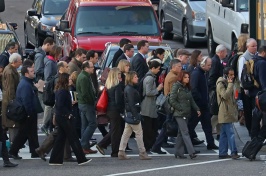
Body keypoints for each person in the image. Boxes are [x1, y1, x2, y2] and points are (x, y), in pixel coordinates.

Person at [49, 73, 92, 166]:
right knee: (74, 138)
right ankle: (81, 159)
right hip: (64, 117)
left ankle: (54, 160)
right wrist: (68, 113)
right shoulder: (63, 91)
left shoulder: (61, 90)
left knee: (60, 138)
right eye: (69, 79)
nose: (71, 80)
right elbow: (60, 105)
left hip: (61, 116)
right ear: (64, 80)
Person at [9, 61, 40, 159]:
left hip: (28, 112)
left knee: (31, 133)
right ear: (26, 73)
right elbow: (26, 101)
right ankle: (13, 151)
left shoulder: (27, 82)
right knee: (24, 133)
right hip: (27, 113)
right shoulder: (25, 85)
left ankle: (35, 151)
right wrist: (30, 113)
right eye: (31, 71)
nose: (33, 72)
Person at [118, 71, 151, 160]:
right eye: (135, 77)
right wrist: (136, 115)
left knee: (126, 133)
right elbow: (132, 104)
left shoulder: (128, 88)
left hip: (129, 114)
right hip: (133, 113)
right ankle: (142, 152)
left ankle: (121, 151)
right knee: (139, 134)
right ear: (131, 78)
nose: (137, 78)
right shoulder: (130, 90)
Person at [188, 56, 219, 150]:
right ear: (203, 64)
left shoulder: (203, 73)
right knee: (191, 126)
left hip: (203, 105)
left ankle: (210, 143)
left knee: (207, 126)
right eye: (209, 65)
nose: (210, 67)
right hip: (198, 106)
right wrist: (200, 101)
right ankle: (187, 145)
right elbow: (194, 89)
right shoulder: (197, 74)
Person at [170, 71, 200, 159]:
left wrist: (197, 109)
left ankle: (178, 152)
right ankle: (191, 152)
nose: (187, 79)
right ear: (181, 77)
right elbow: (172, 100)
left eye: (188, 77)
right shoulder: (176, 86)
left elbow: (191, 100)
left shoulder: (186, 87)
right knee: (185, 132)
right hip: (179, 113)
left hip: (186, 113)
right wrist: (180, 108)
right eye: (185, 77)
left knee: (181, 133)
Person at [96, 68, 124, 157]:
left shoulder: (108, 85)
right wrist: (122, 111)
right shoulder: (117, 86)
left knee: (114, 130)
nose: (120, 75)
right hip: (115, 110)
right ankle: (111, 149)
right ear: (115, 75)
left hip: (109, 109)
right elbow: (118, 101)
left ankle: (104, 145)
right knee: (115, 131)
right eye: (119, 74)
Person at [216, 67, 240, 159]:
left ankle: (222, 152)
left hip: (228, 111)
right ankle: (234, 152)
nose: (233, 76)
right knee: (230, 133)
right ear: (226, 75)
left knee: (224, 134)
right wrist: (230, 85)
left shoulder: (227, 83)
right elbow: (225, 95)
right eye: (230, 75)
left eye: (233, 74)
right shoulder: (221, 84)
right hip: (225, 112)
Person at [141, 60, 163, 151]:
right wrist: (158, 89)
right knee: (148, 128)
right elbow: (148, 92)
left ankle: (149, 145)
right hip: (148, 107)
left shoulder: (150, 77)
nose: (159, 70)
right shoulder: (150, 78)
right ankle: (147, 146)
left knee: (151, 127)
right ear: (153, 68)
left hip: (149, 106)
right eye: (158, 69)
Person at [76, 61, 98, 154]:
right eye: (91, 67)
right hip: (86, 104)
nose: (93, 68)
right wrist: (92, 100)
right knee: (93, 123)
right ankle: (83, 144)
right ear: (86, 68)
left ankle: (85, 146)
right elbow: (85, 93)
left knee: (84, 126)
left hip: (83, 103)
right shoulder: (84, 77)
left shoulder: (84, 76)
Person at [238, 38, 257, 136]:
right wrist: (245, 88)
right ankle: (250, 131)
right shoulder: (243, 58)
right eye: (252, 46)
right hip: (247, 89)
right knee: (248, 111)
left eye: (255, 46)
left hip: (255, 88)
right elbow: (241, 75)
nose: (255, 48)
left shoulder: (257, 55)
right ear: (247, 47)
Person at [41, 45, 63, 134]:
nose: (61, 55)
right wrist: (56, 78)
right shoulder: (50, 63)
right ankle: (45, 125)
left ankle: (48, 126)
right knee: (49, 107)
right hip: (51, 87)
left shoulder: (53, 62)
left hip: (53, 86)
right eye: (60, 53)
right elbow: (48, 77)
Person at [1, 53, 22, 145]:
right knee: (11, 124)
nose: (21, 62)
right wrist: (13, 103)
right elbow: (10, 89)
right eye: (20, 61)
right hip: (10, 102)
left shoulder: (11, 69)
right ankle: (12, 146)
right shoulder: (10, 72)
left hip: (9, 100)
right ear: (14, 62)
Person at [208, 44, 228, 140]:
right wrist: (216, 89)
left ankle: (219, 133)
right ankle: (209, 131)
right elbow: (212, 77)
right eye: (225, 52)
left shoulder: (216, 60)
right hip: (216, 91)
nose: (226, 54)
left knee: (219, 112)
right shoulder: (216, 62)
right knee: (216, 112)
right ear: (221, 52)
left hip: (216, 89)